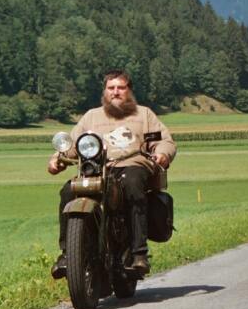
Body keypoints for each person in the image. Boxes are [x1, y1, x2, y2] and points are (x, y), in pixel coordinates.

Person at [48, 69, 176, 278]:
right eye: (111, 88)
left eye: (121, 88)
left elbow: (164, 141)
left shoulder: (143, 114)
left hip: (131, 165)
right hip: (96, 169)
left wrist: (162, 154)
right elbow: (73, 145)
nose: (115, 92)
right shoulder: (91, 116)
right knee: (68, 191)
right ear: (105, 91)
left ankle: (139, 253)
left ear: (129, 91)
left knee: (133, 184)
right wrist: (57, 159)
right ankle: (67, 255)